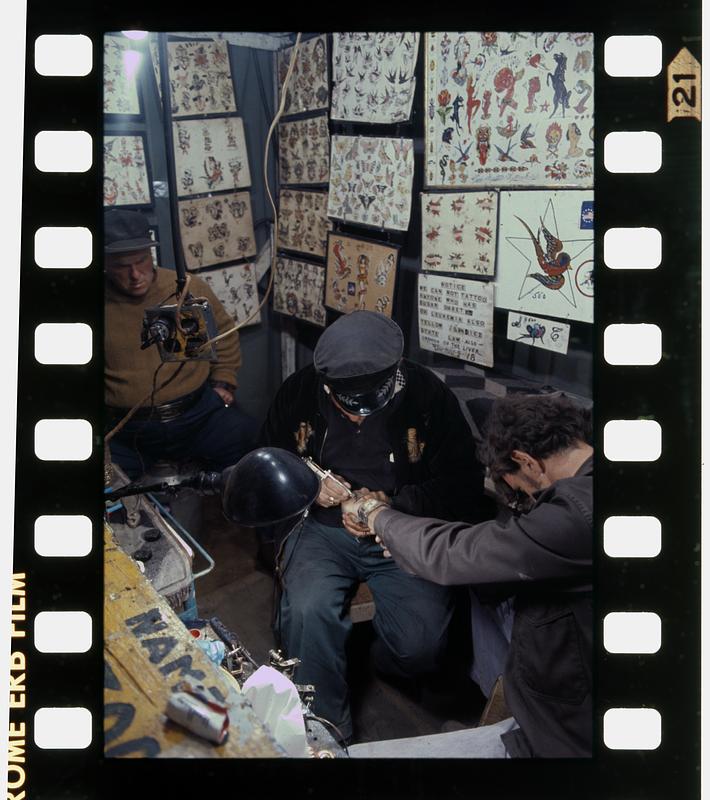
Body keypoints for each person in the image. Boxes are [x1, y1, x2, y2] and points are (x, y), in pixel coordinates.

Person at [261, 311, 487, 742]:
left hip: (401, 528)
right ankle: (326, 731)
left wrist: (391, 504)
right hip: (322, 528)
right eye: (345, 405)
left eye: (367, 405)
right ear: (327, 385)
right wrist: (307, 485)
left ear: (394, 376)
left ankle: (366, 658)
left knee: (420, 645)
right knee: (307, 610)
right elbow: (266, 463)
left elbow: (463, 486)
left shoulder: (428, 397)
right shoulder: (300, 391)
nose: (355, 419)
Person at [343, 394, 593, 758]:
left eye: (519, 488)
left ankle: (508, 731)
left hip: (566, 732)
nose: (523, 500)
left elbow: (451, 553)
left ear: (527, 461)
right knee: (487, 589)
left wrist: (376, 513)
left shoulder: (575, 513)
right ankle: (494, 710)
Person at [104, 208, 255, 478]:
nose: (135, 274)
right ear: (105, 264)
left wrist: (224, 380)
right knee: (110, 487)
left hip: (197, 413)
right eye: (121, 267)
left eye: (141, 261)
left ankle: (228, 517)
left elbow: (224, 332)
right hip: (128, 427)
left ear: (150, 255)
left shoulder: (186, 287)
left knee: (247, 445)